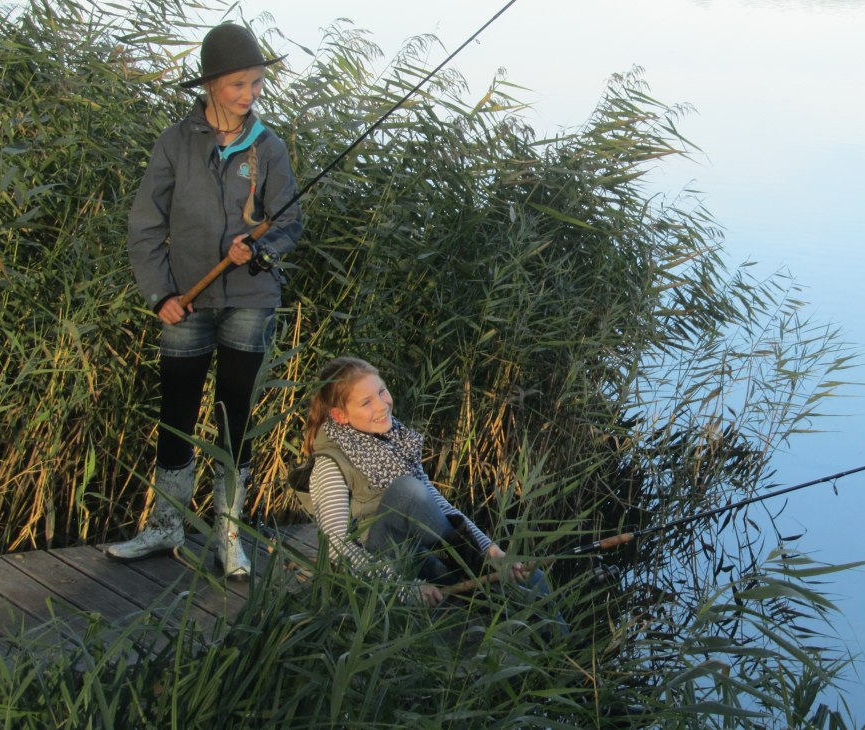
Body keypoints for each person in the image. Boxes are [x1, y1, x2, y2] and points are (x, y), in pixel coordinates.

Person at [106, 23, 302, 580]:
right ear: (211, 83)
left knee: (233, 416)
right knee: (176, 414)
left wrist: (258, 250)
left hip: (250, 300)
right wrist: (160, 295)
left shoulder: (269, 147)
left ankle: (228, 536)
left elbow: (289, 222)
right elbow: (145, 225)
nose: (250, 94)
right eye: (239, 84)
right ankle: (165, 526)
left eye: (256, 83)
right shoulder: (175, 143)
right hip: (185, 302)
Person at [297, 357, 547, 607]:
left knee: (535, 579)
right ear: (340, 415)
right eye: (366, 402)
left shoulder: (393, 440)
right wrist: (401, 588)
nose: (382, 405)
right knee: (407, 489)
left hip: (418, 552)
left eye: (382, 391)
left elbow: (437, 504)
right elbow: (336, 546)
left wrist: (492, 550)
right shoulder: (329, 463)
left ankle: (480, 567)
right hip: (377, 569)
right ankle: (472, 565)